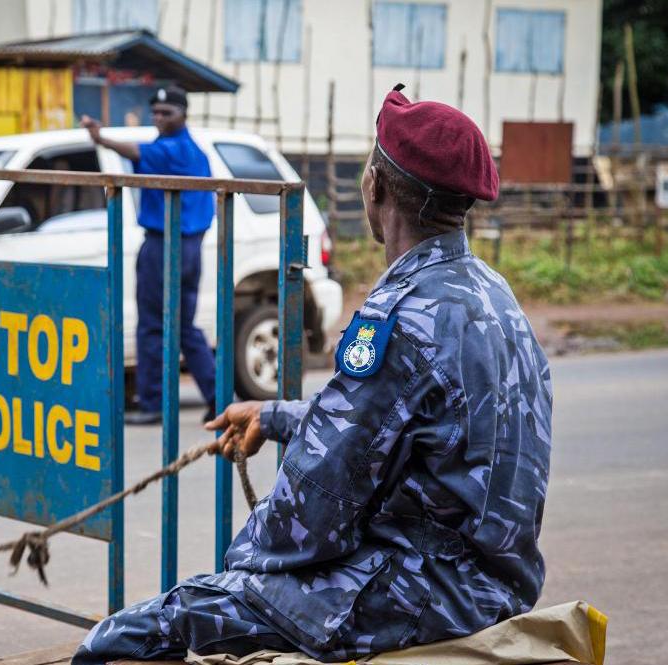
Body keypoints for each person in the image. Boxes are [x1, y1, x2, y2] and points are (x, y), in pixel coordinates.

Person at [73, 84, 553, 663]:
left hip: (422, 592)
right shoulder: (492, 294)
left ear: (374, 186)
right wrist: (273, 414)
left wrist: (242, 569)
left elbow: (314, 505)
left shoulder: (401, 319)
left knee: (118, 639)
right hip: (494, 583)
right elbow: (395, 420)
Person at [80, 86, 217, 426]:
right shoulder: (187, 148)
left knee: (153, 325)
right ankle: (218, 396)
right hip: (187, 246)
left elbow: (135, 152)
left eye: (166, 113)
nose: (158, 118)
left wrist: (101, 138)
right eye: (155, 112)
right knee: (183, 326)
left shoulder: (177, 149)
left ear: (183, 115)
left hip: (166, 245)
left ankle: (152, 401)